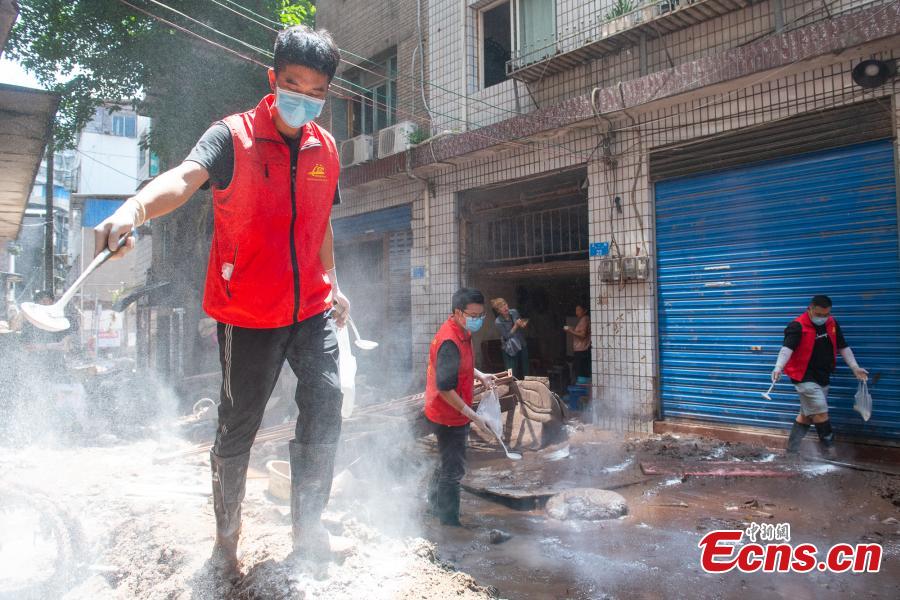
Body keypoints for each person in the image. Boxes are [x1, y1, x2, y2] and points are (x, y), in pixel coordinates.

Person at [94, 26, 349, 577]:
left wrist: (336, 281)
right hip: (249, 316)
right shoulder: (231, 137)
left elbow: (320, 224)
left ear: (327, 93)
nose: (302, 98)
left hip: (311, 310)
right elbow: (184, 179)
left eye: (316, 91)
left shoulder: (325, 149)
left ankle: (309, 528)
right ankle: (225, 541)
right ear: (273, 79)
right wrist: (132, 211)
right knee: (239, 426)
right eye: (292, 84)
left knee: (327, 407)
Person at [424, 288, 496, 527]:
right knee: (453, 471)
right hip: (447, 413)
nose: (478, 319)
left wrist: (480, 375)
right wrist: (473, 416)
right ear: (457, 312)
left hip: (450, 410)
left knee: (447, 461)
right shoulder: (449, 340)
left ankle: (433, 504)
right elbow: (445, 388)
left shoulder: (461, 331)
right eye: (473, 315)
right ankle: (449, 522)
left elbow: (461, 365)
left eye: (481, 315)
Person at [772, 295, 868, 458]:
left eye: (826, 315)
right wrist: (778, 367)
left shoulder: (832, 323)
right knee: (821, 411)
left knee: (807, 415)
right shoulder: (797, 326)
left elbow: (843, 347)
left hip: (822, 374)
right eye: (820, 315)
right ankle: (830, 452)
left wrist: (855, 367)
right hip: (803, 376)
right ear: (810, 308)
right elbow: (786, 349)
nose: (823, 318)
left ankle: (791, 451)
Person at [491, 297, 528, 379]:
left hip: (521, 343)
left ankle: (527, 387)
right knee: (510, 371)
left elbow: (520, 322)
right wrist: (516, 326)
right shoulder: (498, 322)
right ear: (498, 311)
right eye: (501, 306)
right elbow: (506, 336)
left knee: (525, 369)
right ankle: (510, 388)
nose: (505, 307)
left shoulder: (514, 312)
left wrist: (522, 324)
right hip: (509, 348)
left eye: (505, 304)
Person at [564, 304, 591, 380]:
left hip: (582, 351)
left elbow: (582, 335)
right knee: (580, 372)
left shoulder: (585, 319)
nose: (576, 312)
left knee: (581, 373)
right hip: (580, 350)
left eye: (579, 310)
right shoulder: (583, 319)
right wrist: (572, 329)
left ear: (585, 311)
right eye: (576, 310)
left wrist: (570, 331)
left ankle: (582, 389)